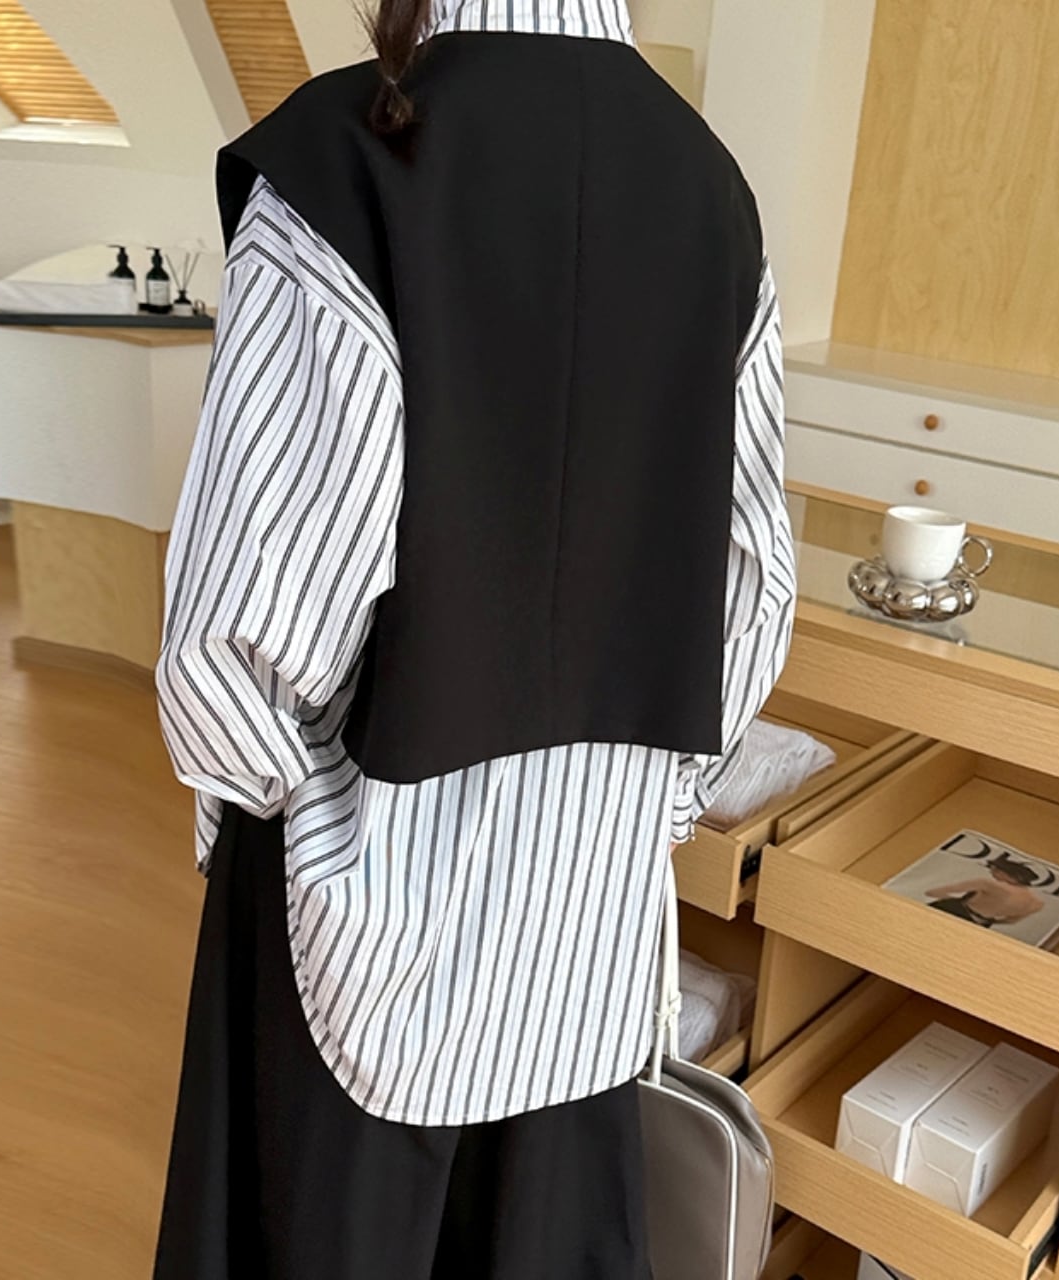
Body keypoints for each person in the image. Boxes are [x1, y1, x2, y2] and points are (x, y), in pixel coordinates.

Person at [151, 1, 795, 1276]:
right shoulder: (707, 185)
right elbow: (752, 582)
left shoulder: (345, 162)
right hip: (586, 916)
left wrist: (275, 810)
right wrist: (639, 805)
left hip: (352, 897)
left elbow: (240, 622)